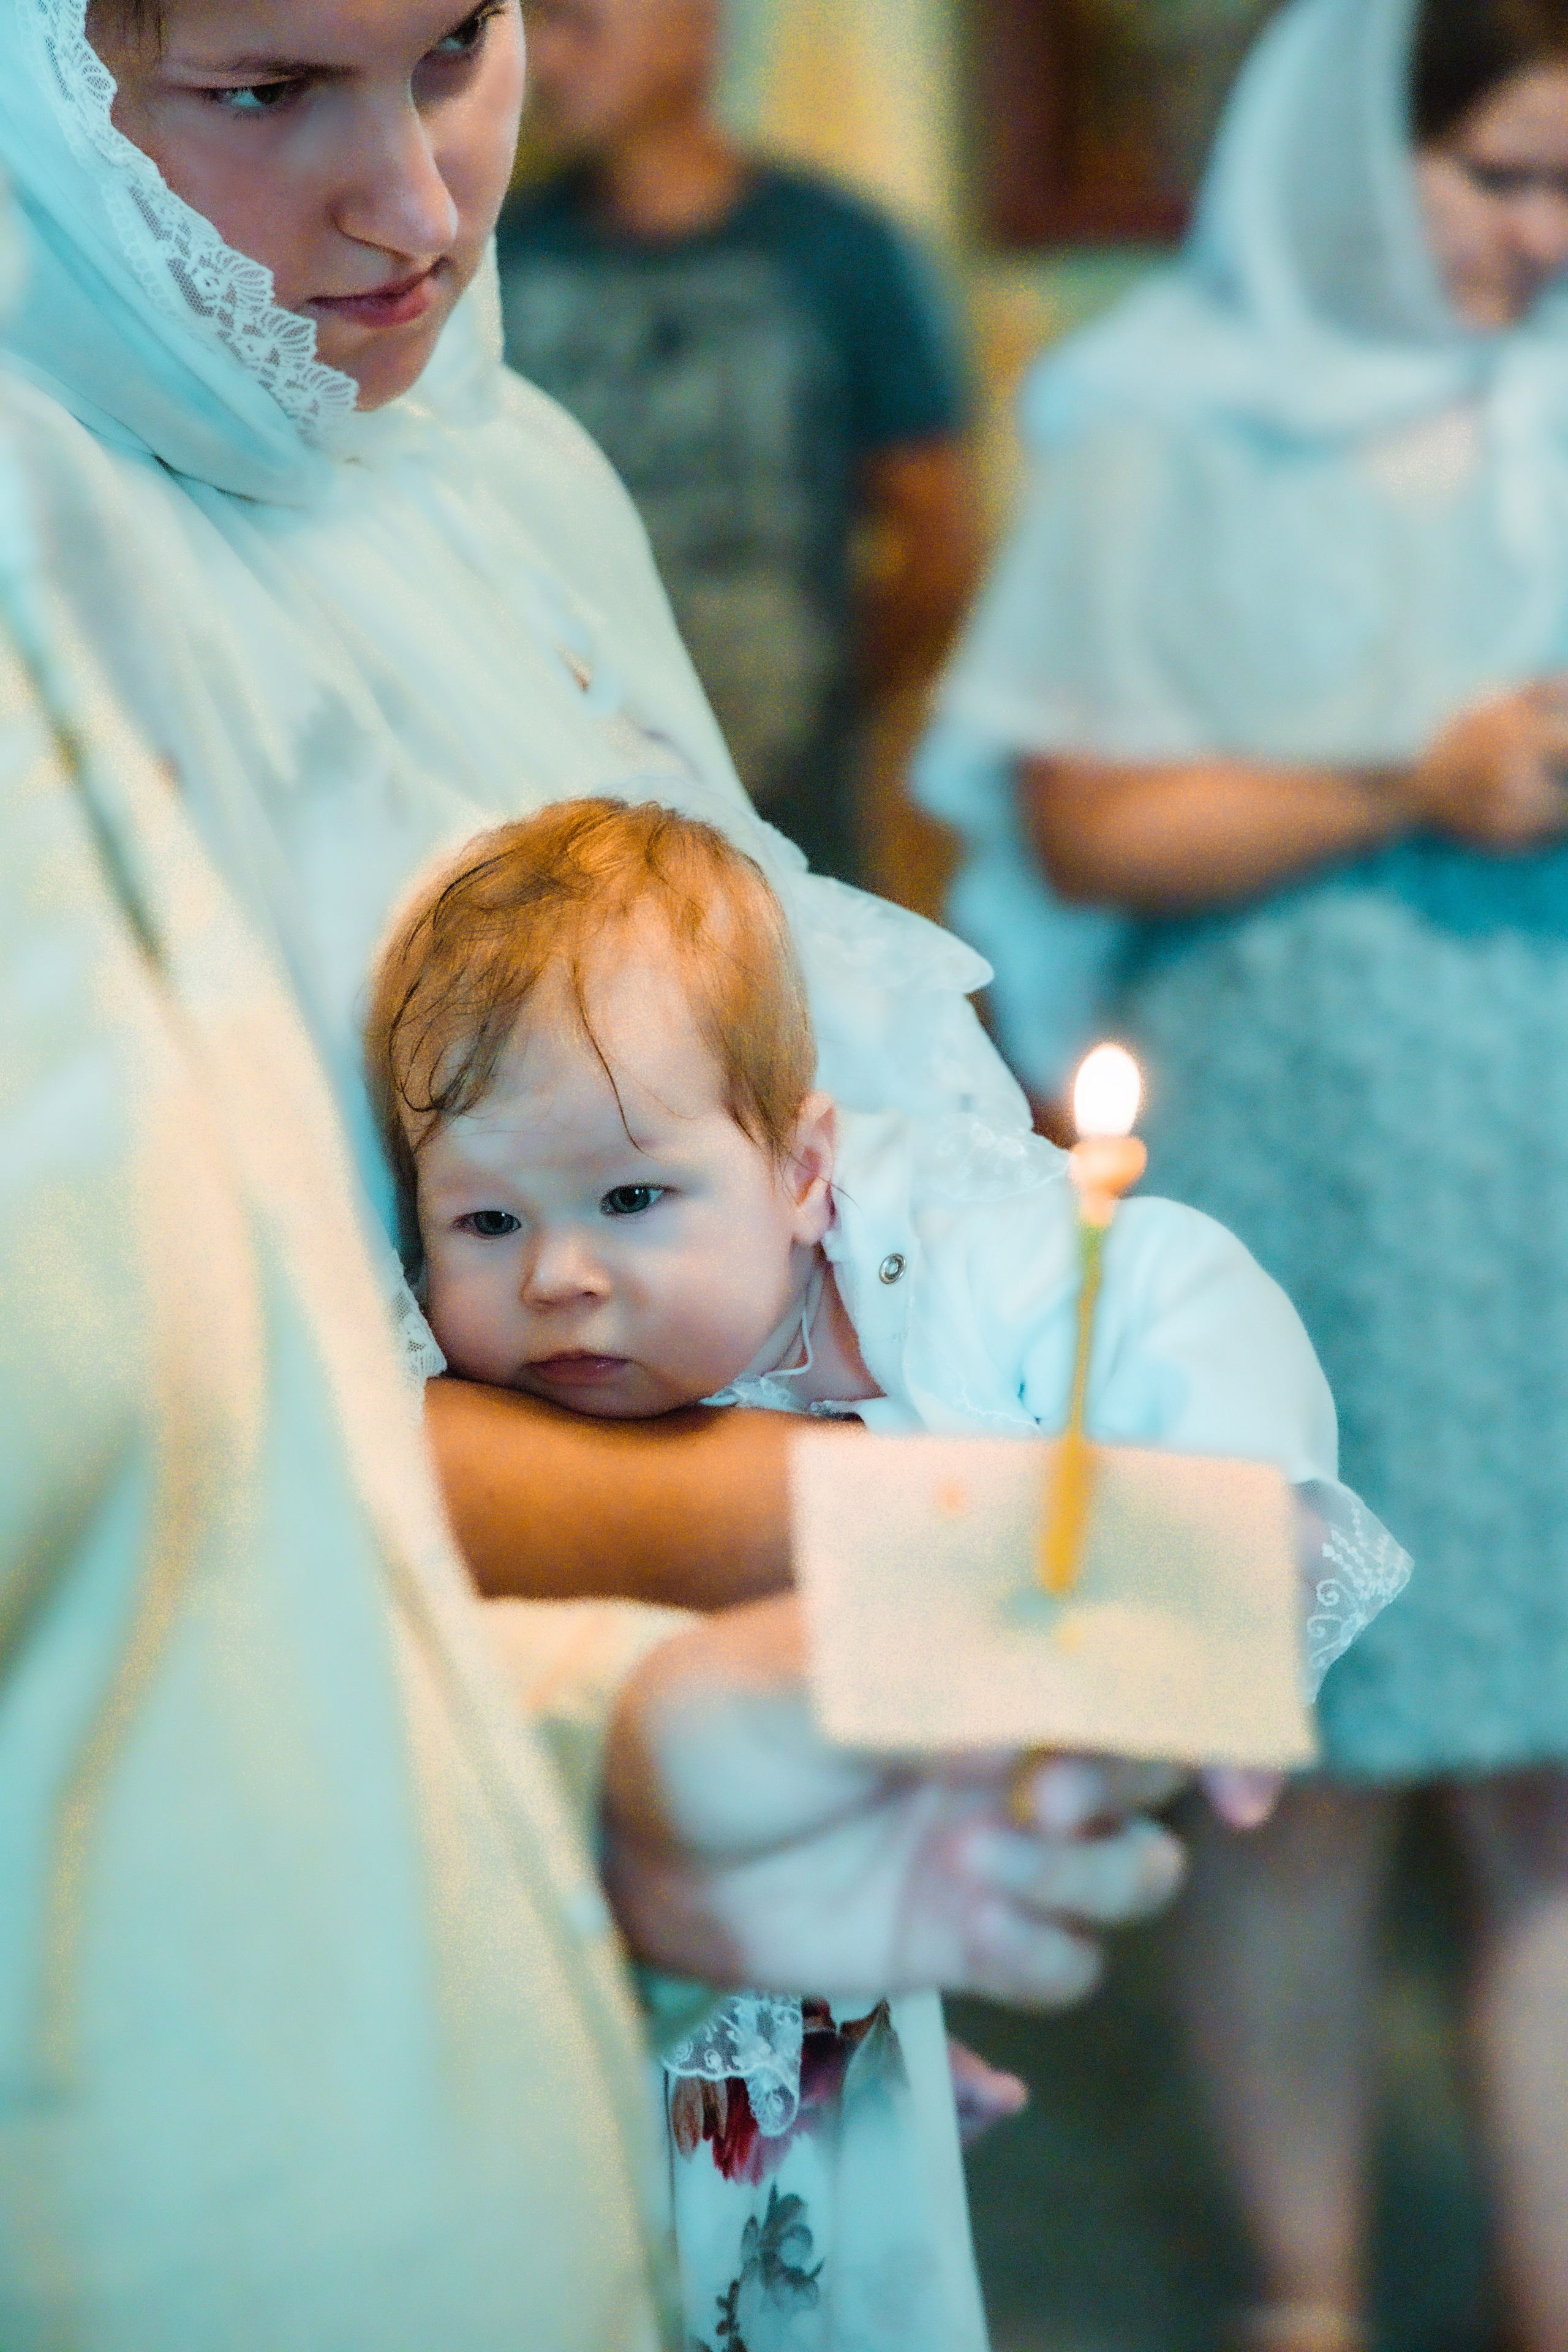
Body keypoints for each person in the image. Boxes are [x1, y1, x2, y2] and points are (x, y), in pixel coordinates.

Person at [364, 796, 1409, 2352]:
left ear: (798, 1171)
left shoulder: (955, 1248)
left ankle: (890, 2053)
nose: (559, 1274)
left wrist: (1238, 1532)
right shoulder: (519, 1401)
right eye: (486, 1219)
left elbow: (1173, 1301)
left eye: (632, 1201)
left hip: (886, 1740)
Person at [916, 0, 1568, 2342]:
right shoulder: (1170, 410)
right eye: (1503, 175)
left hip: (1547, 1135)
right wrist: (1414, 776)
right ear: (1344, 156)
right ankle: (1301, 2290)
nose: (1544, 235)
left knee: (1550, 1768)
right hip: (1305, 1131)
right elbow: (1082, 810)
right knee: (1311, 1746)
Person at [496, 0, 980, 886]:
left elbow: (940, 540)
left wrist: (827, 691)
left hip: (788, 818)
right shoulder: (498, 255)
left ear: (694, 22)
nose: (545, 62)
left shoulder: (841, 254)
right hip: (547, 817)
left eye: (576, 22)